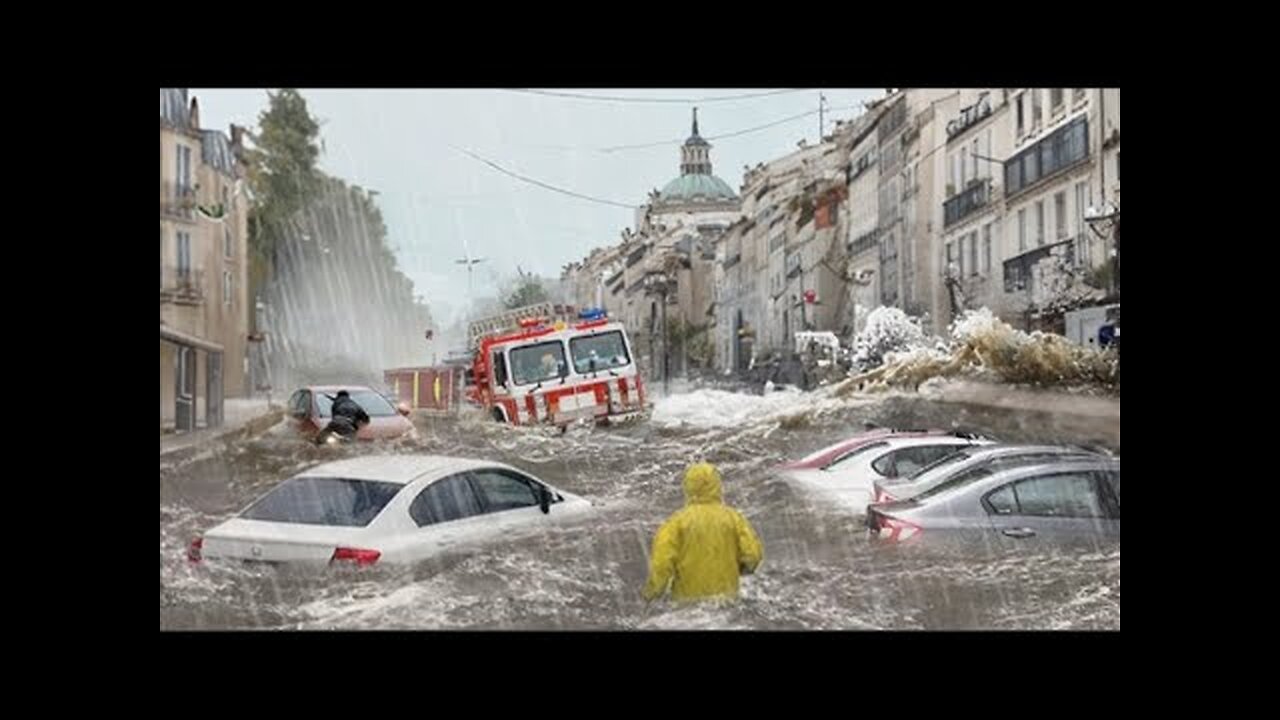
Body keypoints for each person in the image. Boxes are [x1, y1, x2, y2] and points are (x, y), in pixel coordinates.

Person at [642, 462, 763, 603]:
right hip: (726, 599)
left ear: (688, 486)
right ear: (717, 485)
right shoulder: (734, 518)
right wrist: (741, 570)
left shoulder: (675, 523)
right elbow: (753, 555)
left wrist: (650, 594)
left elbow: (661, 565)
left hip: (687, 603)